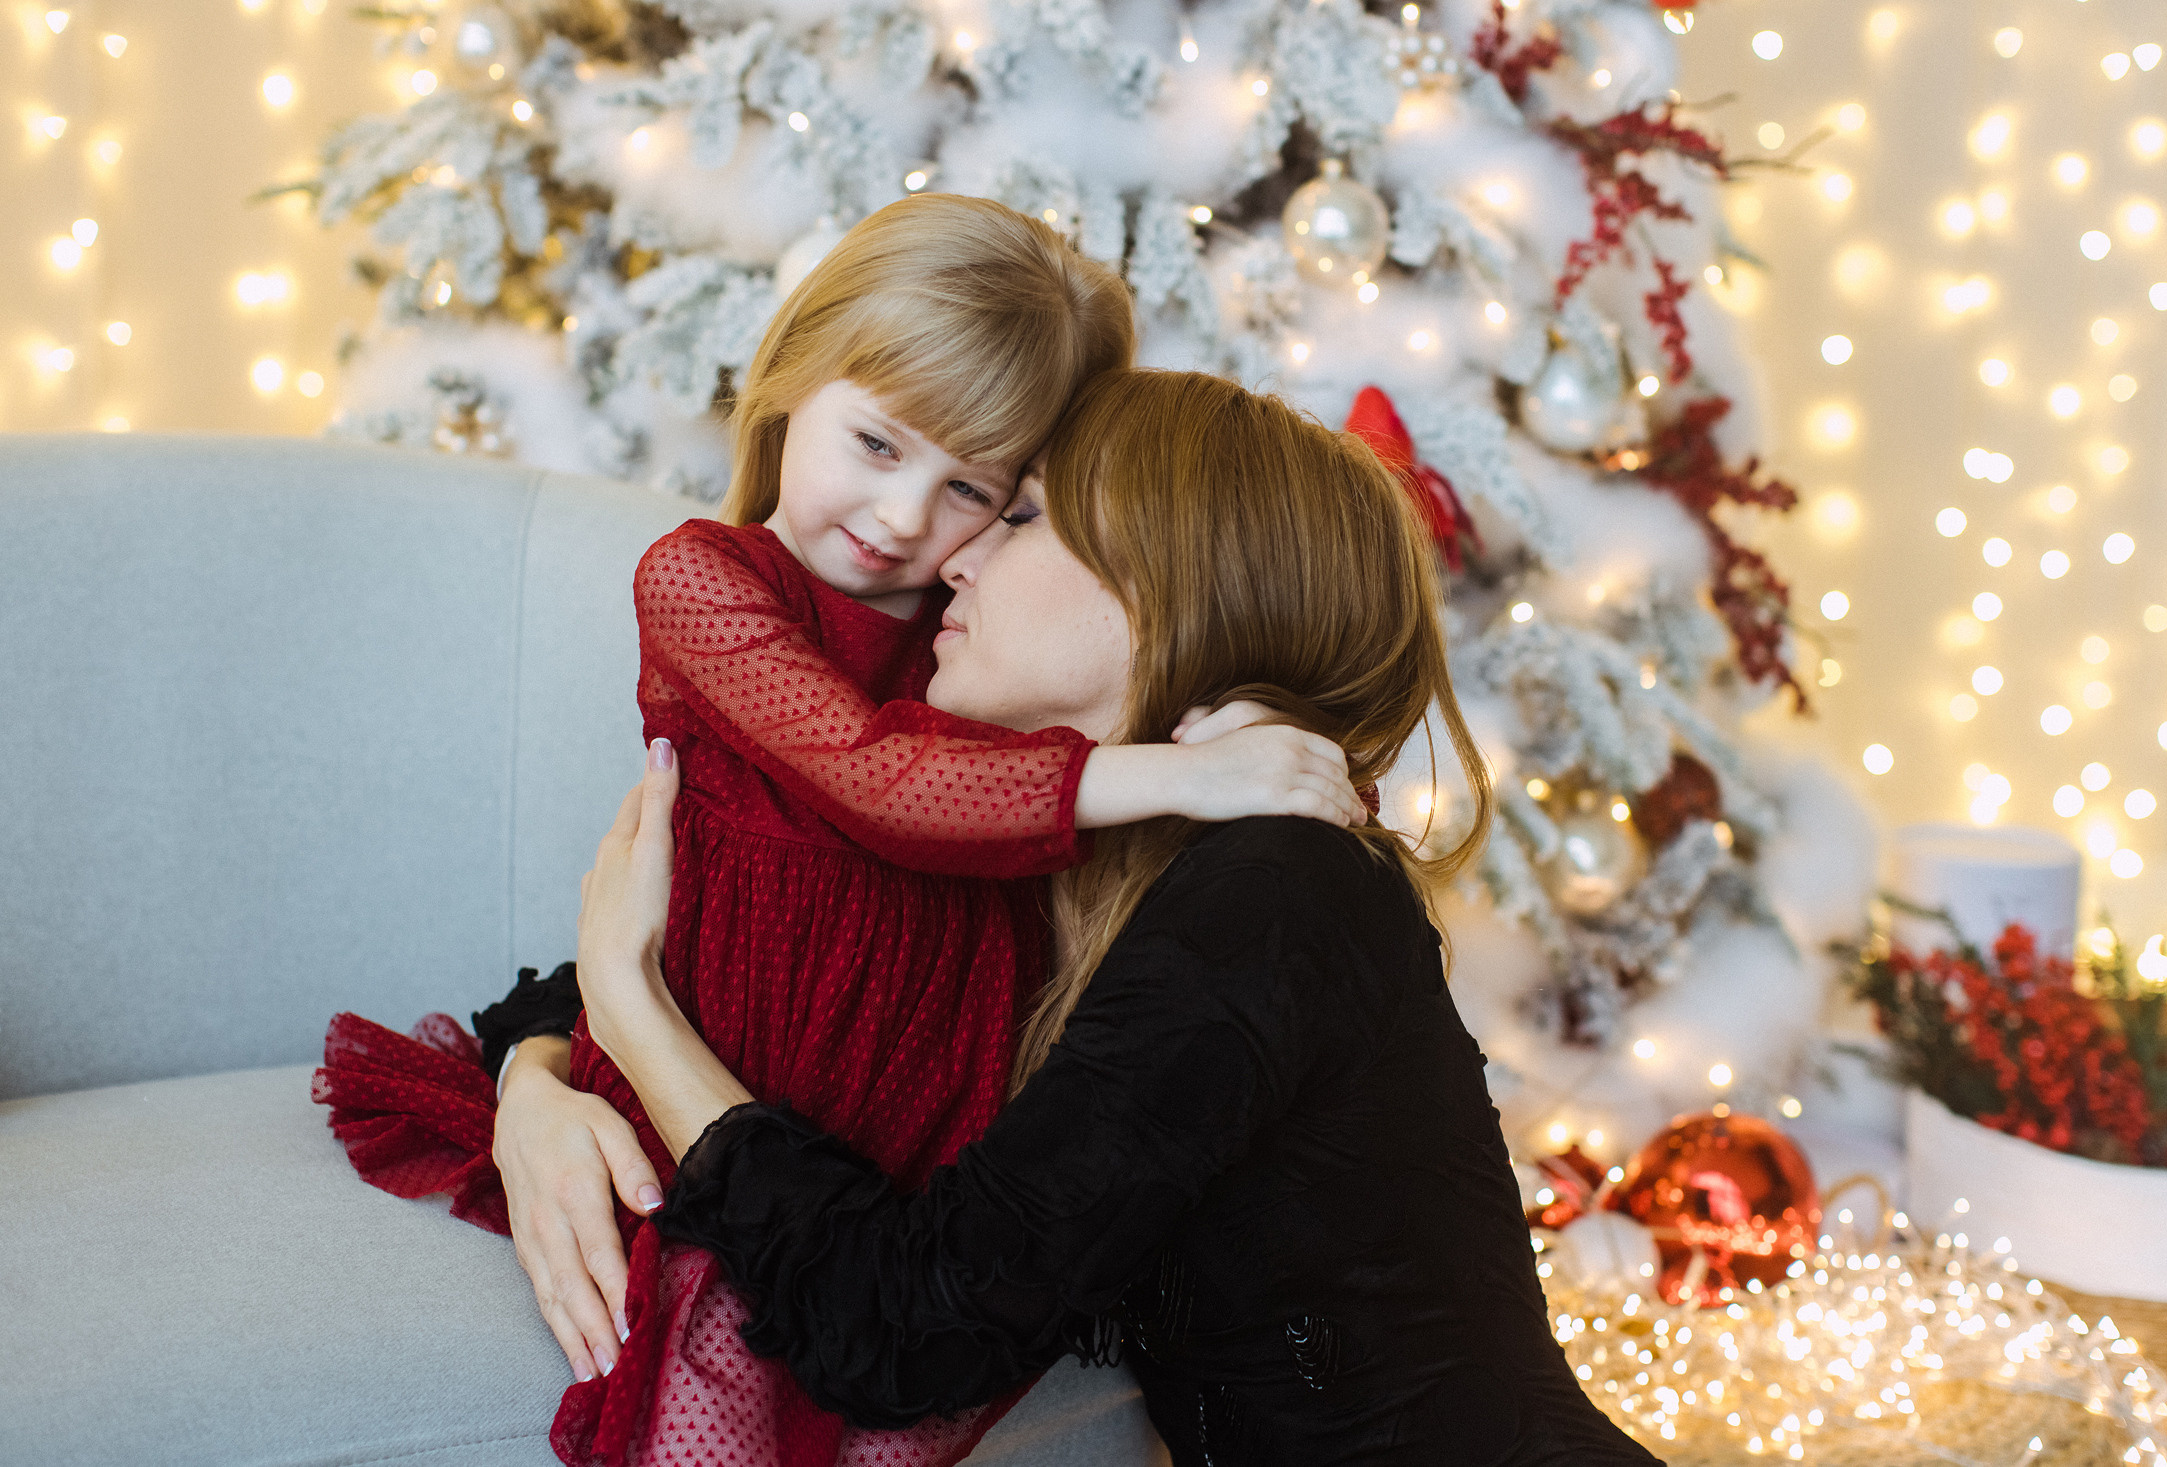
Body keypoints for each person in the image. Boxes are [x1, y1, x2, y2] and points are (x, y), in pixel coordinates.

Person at [312, 197, 1367, 1467]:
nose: (907, 521)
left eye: (973, 489)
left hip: (925, 1111)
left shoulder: (971, 633)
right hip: (752, 1067)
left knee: (893, 1404)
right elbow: (871, 776)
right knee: (710, 1404)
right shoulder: (704, 579)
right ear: (791, 382)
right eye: (875, 442)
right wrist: (1171, 778)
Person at [524, 368, 1667, 1464]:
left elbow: (907, 1334)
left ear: (1164, 587)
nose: (952, 553)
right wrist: (533, 1088)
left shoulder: (1277, 891)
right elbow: (733, 954)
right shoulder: (1070, 859)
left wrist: (636, 1016)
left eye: (1016, 515)